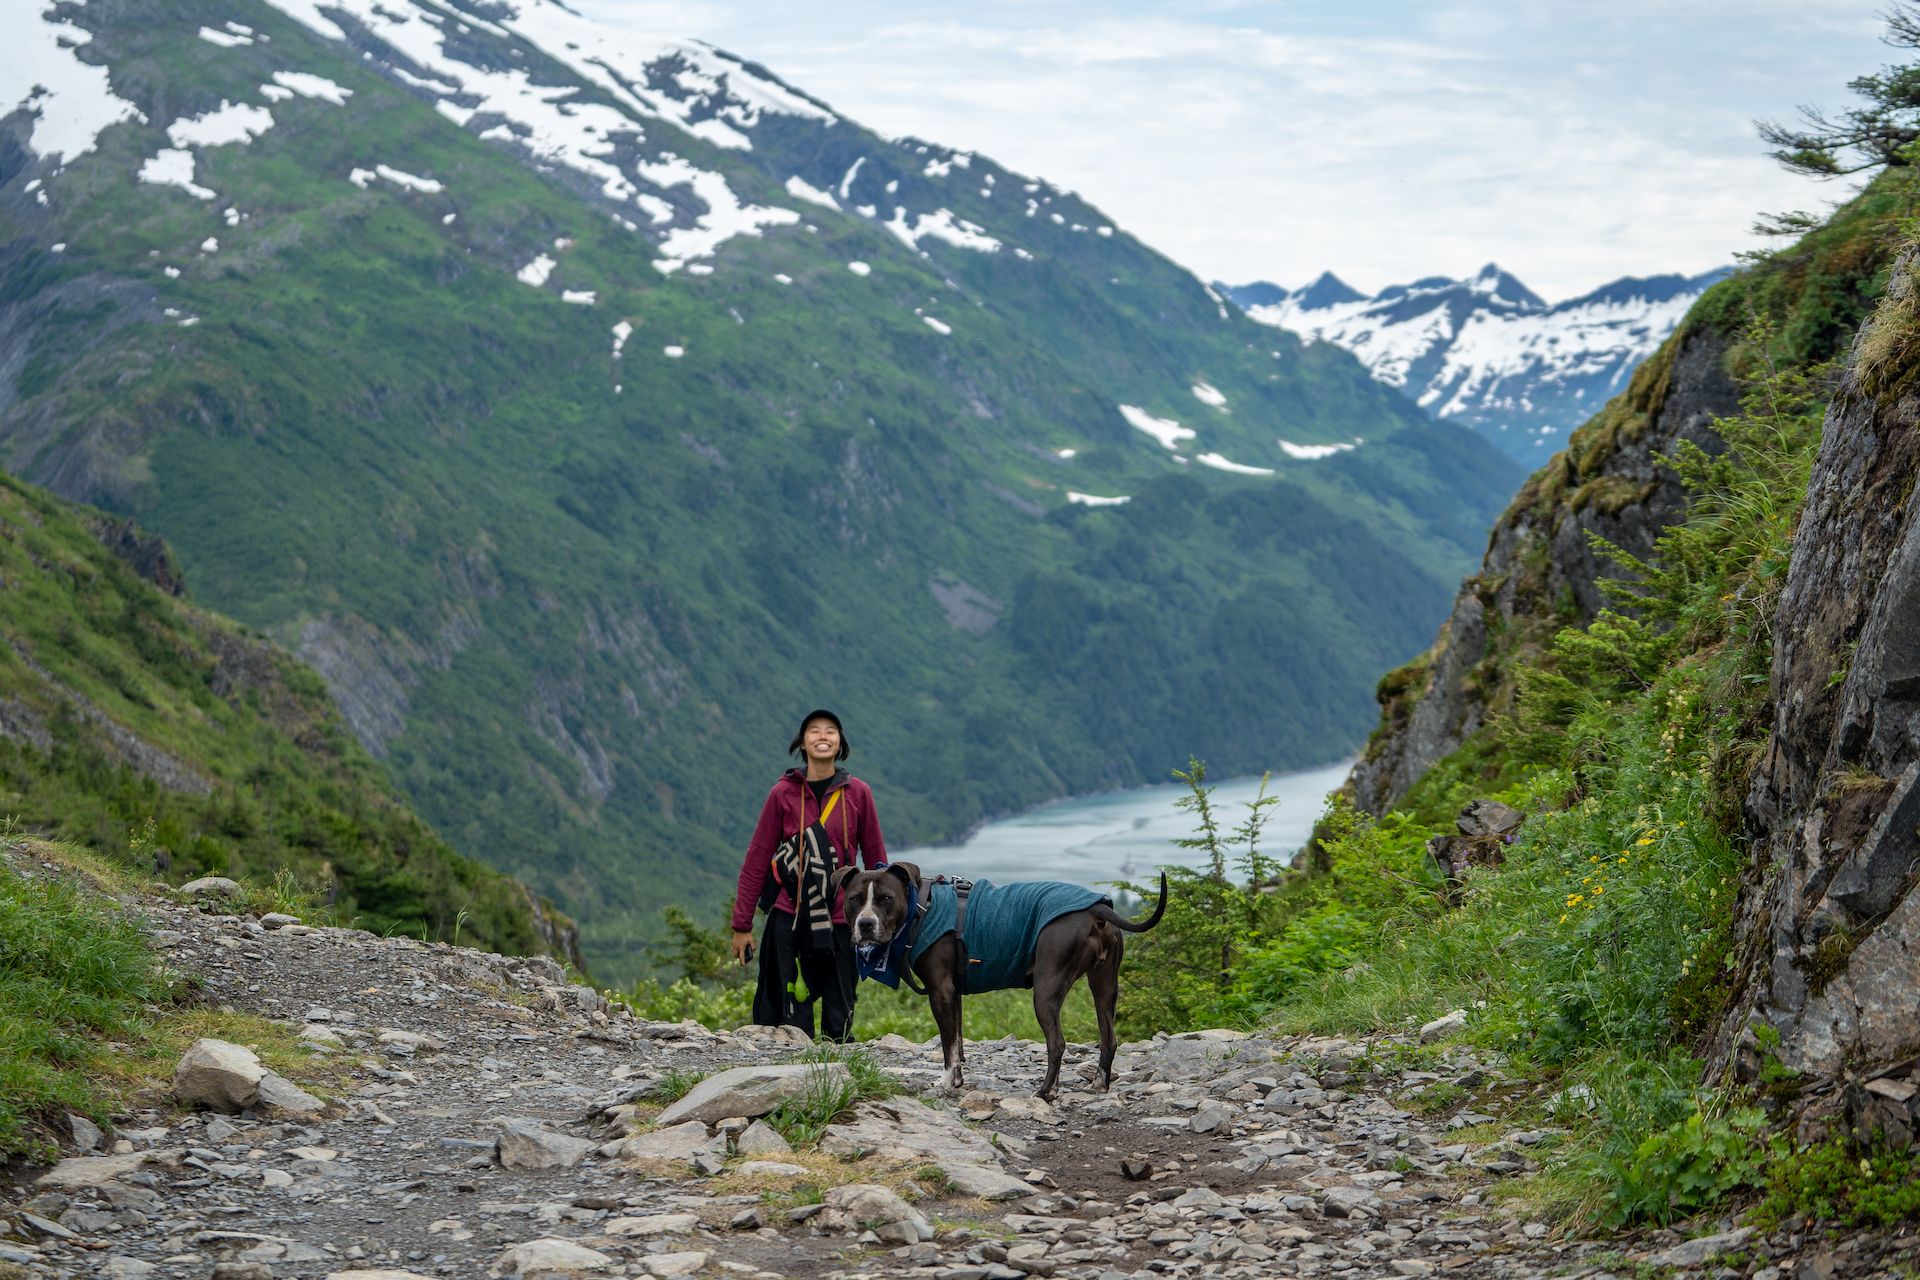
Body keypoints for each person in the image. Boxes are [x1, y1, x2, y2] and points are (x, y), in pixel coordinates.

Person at [731, 709, 888, 1041]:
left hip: (842, 920)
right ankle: (793, 1085)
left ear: (840, 742)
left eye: (831, 731)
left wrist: (884, 922)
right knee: (791, 1015)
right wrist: (742, 925)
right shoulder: (782, 794)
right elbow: (758, 858)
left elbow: (876, 862)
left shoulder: (858, 793)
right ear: (802, 743)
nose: (822, 736)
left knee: (839, 1014)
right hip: (790, 917)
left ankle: (840, 1085)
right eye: (814, 730)